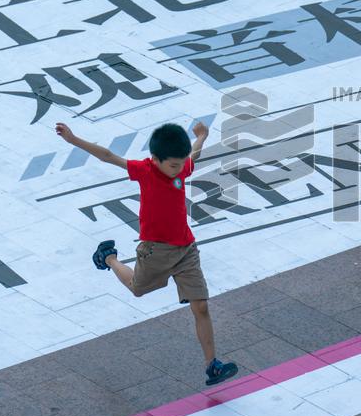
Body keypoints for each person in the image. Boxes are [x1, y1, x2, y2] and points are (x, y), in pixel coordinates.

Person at [55, 120, 239, 385]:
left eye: (180, 165)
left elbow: (193, 154)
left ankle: (212, 365)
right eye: (173, 166)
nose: (179, 171)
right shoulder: (144, 170)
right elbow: (108, 156)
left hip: (186, 250)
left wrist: (202, 135)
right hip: (155, 251)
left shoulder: (180, 166)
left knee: (201, 305)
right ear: (155, 159)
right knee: (136, 289)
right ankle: (108, 256)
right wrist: (73, 140)